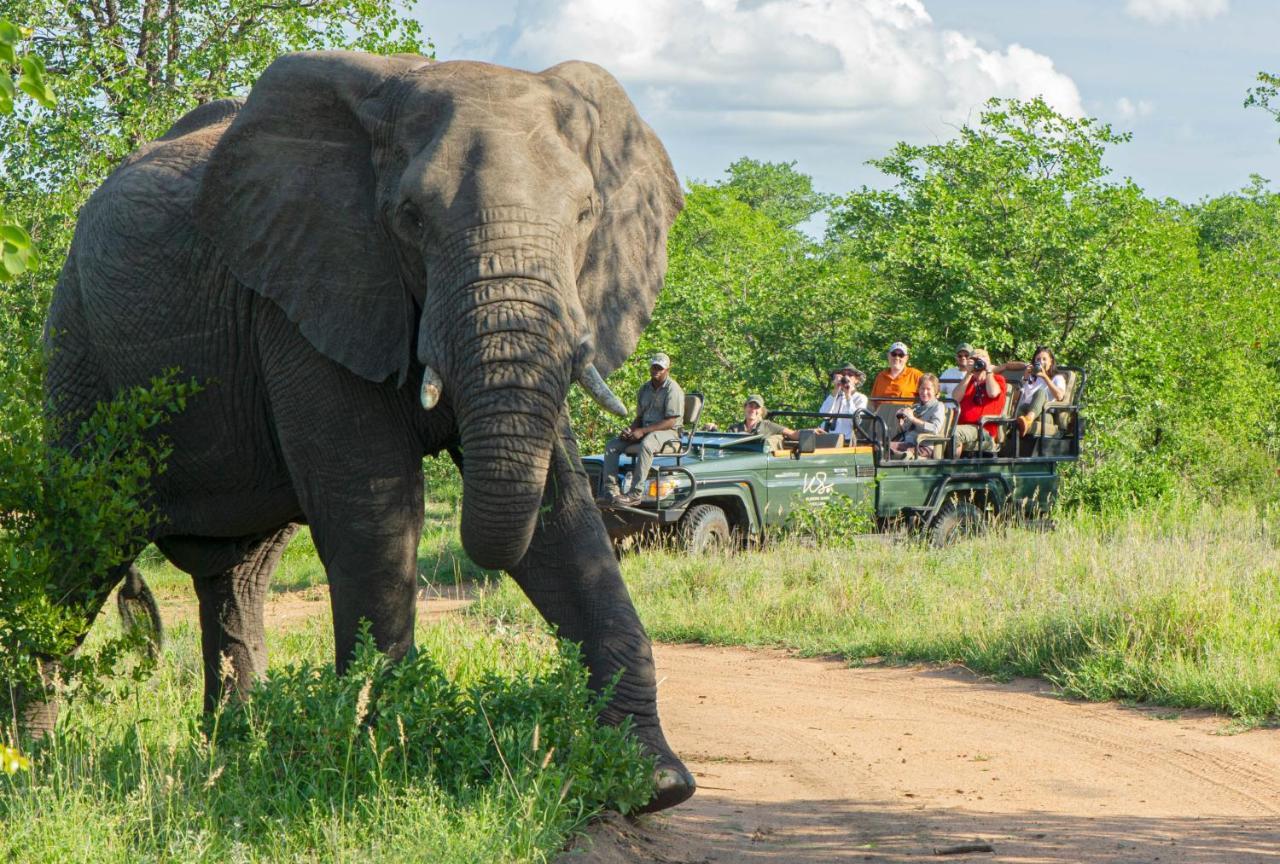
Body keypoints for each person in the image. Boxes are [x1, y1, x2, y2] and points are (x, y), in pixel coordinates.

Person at [600, 352, 685, 505]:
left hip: (668, 434)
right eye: (654, 367)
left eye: (660, 368)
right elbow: (639, 418)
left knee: (647, 444)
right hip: (645, 430)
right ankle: (610, 490)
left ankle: (635, 493)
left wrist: (643, 432)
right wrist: (631, 431)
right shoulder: (644, 389)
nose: (656, 370)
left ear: (667, 370)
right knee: (612, 445)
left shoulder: (673, 390)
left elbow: (671, 421)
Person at [995, 346, 1068, 436]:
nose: (1041, 362)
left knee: (1040, 392)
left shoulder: (1057, 378)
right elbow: (1016, 398)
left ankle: (1028, 419)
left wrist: (1045, 377)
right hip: (1024, 410)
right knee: (1014, 413)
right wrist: (1025, 379)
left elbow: (1059, 396)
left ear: (1051, 361)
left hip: (1044, 414)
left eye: (1044, 359)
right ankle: (1000, 439)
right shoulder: (1031, 377)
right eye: (1038, 359)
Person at [953, 348, 1007, 457]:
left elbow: (993, 393)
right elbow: (955, 398)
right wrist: (968, 374)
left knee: (954, 433)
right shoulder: (968, 381)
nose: (977, 363)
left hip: (984, 429)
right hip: (963, 426)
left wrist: (988, 371)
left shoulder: (997, 379)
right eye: (974, 360)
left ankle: (953, 468)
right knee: (940, 430)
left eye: (980, 360)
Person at [888, 374, 945, 459]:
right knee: (878, 444)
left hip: (922, 447)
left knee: (883, 447)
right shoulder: (916, 407)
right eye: (922, 388)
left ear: (935, 391)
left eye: (928, 389)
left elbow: (935, 429)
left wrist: (913, 418)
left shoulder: (938, 406)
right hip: (907, 442)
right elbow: (906, 430)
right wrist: (901, 421)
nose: (924, 392)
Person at [818, 364, 867, 441]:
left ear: (856, 380)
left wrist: (848, 395)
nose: (846, 377)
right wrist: (836, 389)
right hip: (827, 437)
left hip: (846, 441)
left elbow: (855, 422)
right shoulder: (835, 395)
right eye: (843, 375)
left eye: (850, 375)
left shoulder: (861, 398)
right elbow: (823, 415)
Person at [727, 394, 804, 443]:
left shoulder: (767, 426)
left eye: (757, 407)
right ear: (745, 407)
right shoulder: (734, 429)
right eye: (750, 406)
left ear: (761, 411)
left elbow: (793, 434)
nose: (753, 410)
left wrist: (813, 431)